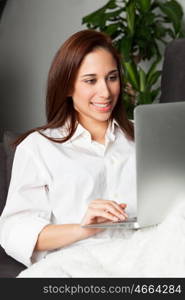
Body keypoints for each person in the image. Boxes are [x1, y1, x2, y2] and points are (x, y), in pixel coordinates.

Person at [0, 30, 136, 268]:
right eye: (90, 80)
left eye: (112, 77)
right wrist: (84, 228)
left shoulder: (144, 135)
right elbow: (14, 231)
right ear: (67, 87)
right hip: (77, 265)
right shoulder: (38, 147)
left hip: (146, 258)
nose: (105, 92)